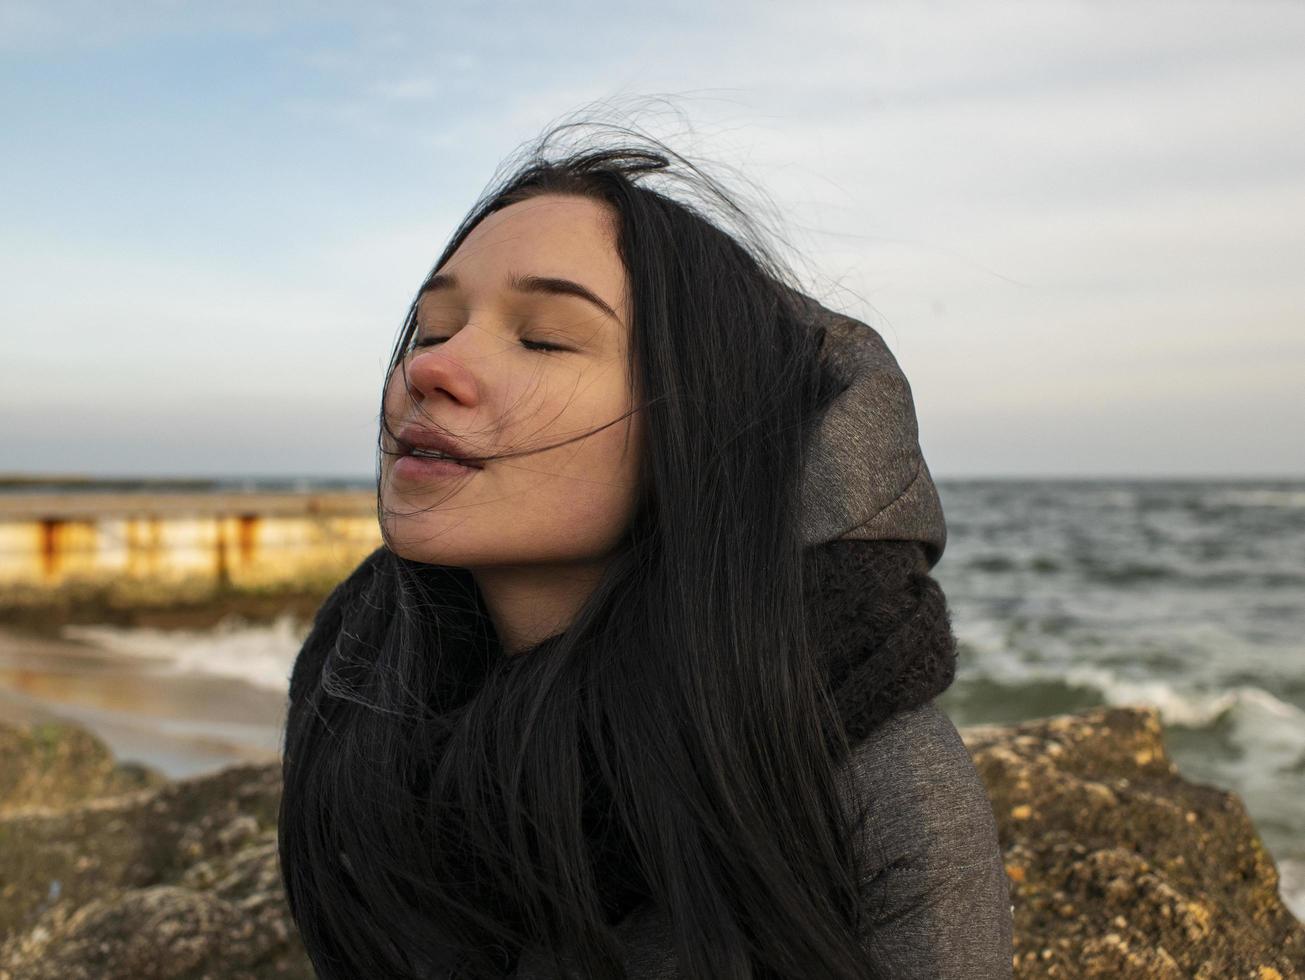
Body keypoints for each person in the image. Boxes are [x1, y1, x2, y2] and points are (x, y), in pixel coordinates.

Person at [278, 118, 1012, 979]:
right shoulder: (356, 692)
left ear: (697, 424)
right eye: (434, 329)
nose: (429, 370)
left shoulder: (856, 767)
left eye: (544, 337)